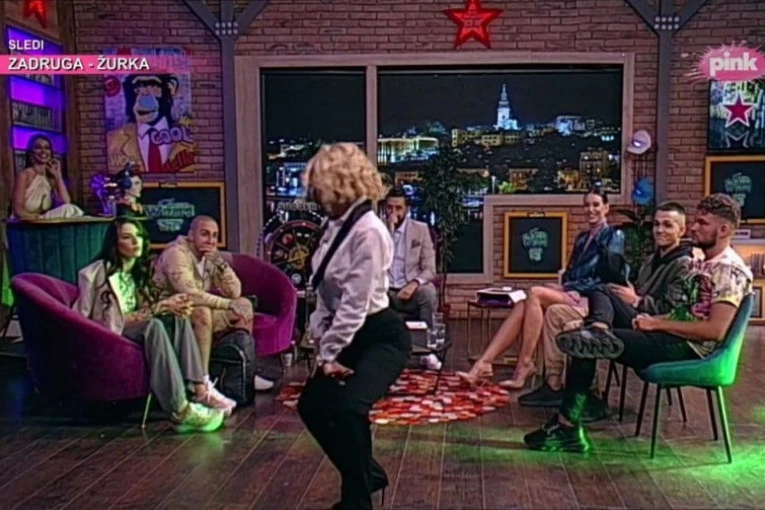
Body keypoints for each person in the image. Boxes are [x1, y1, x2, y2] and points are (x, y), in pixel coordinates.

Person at [524, 193, 752, 453]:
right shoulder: (705, 263)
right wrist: (654, 320)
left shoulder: (728, 270)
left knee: (584, 343)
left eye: (702, 223)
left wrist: (656, 324)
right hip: (672, 334)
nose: (694, 227)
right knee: (603, 293)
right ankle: (598, 328)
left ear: (724, 230)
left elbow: (714, 330)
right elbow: (686, 313)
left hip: (688, 349)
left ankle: (567, 427)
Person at [296, 143, 411, 510]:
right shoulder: (333, 227)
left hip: (380, 335)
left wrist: (329, 354)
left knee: (349, 407)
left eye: (318, 185)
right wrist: (321, 339)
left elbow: (355, 304)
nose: (313, 193)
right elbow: (323, 290)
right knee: (313, 406)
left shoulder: (369, 231)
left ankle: (357, 499)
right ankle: (366, 474)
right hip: (348, 333)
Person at [520, 202, 693, 413]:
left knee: (579, 326)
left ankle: (589, 394)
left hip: (650, 325)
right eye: (656, 224)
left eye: (667, 225)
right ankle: (553, 384)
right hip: (621, 311)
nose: (659, 230)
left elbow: (672, 311)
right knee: (556, 312)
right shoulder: (650, 260)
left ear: (681, 230)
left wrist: (637, 300)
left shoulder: (684, 265)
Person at [457, 188, 626, 389]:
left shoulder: (614, 236)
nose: (590, 209)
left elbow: (608, 279)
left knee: (535, 293)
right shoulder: (582, 238)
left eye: (596, 204)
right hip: (575, 293)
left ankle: (523, 364)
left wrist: (569, 287)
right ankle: (484, 363)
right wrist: (563, 286)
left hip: (594, 300)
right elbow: (571, 272)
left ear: (606, 207)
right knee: (523, 304)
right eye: (586, 205)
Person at [73, 217, 230, 432]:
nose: (135, 242)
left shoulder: (138, 272)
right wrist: (160, 307)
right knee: (153, 326)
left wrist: (171, 306)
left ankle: (199, 389)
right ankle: (179, 408)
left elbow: (146, 310)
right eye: (127, 237)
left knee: (177, 317)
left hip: (134, 328)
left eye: (138, 236)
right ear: (114, 243)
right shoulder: (100, 273)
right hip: (107, 335)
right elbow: (112, 322)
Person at [152, 215, 274, 393]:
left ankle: (243, 373)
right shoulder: (176, 253)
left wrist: (220, 263)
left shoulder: (209, 256)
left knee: (244, 305)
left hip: (193, 313)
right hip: (167, 315)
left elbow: (235, 292)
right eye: (205, 234)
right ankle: (201, 382)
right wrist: (228, 304)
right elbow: (189, 295)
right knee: (202, 312)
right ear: (191, 235)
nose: (211, 240)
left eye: (214, 235)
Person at [384, 187, 438, 325]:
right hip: (384, 289)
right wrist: (389, 232)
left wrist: (414, 284)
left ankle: (426, 335)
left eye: (398, 208)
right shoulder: (377, 229)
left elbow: (430, 269)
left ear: (406, 210)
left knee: (428, 293)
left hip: (410, 288)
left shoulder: (420, 229)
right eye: (389, 208)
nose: (393, 212)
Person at [12, 135, 84, 220]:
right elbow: (18, 211)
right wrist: (37, 218)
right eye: (38, 148)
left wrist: (57, 175)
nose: (43, 151)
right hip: (26, 221)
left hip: (44, 221)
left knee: (71, 209)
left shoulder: (50, 178)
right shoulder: (24, 175)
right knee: (70, 210)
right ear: (31, 152)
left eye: (47, 148)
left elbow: (66, 202)